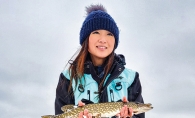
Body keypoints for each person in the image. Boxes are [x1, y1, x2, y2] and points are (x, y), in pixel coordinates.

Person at [55, 4, 144, 118]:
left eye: (109, 34)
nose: (103, 40)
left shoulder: (131, 78)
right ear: (86, 39)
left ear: (115, 41)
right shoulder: (68, 78)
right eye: (96, 32)